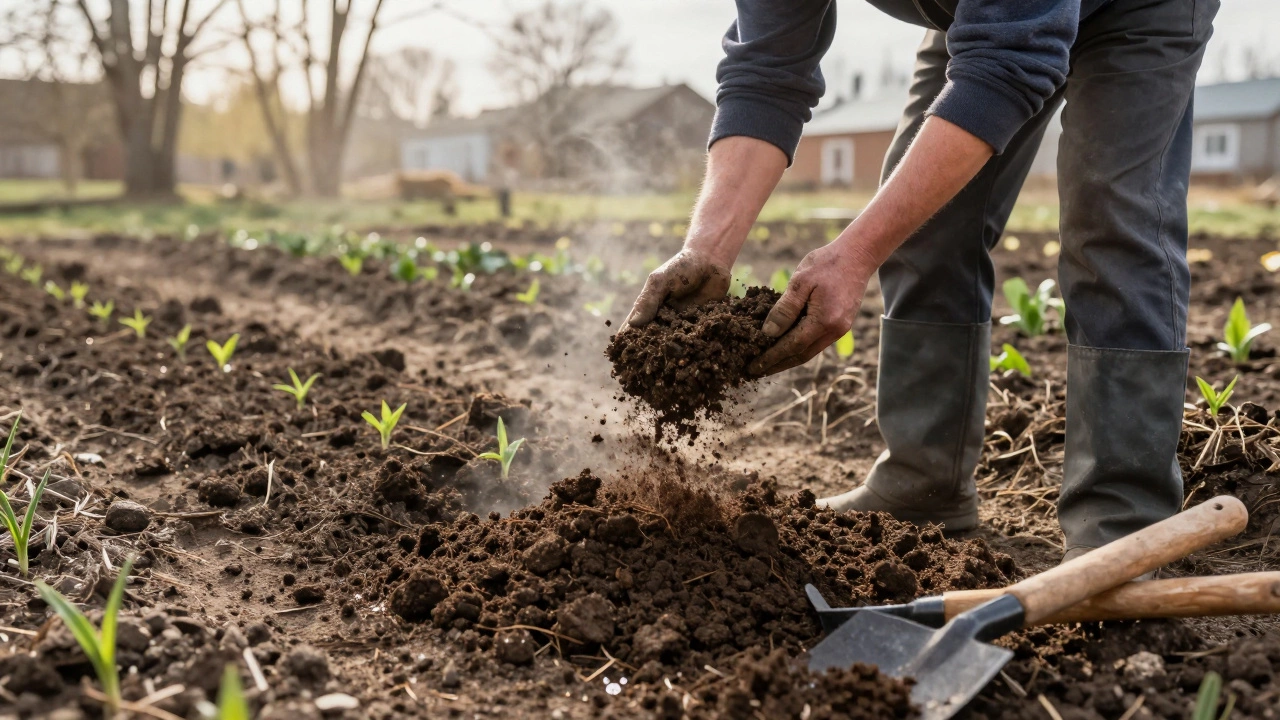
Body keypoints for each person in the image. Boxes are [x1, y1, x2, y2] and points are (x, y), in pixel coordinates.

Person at [625, 0, 1218, 562]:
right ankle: (923, 487)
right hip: (986, 19)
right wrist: (706, 249)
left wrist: (853, 255)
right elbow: (764, 72)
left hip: (1135, 11)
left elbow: (1011, 59)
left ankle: (1122, 527)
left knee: (1111, 215)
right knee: (924, 223)